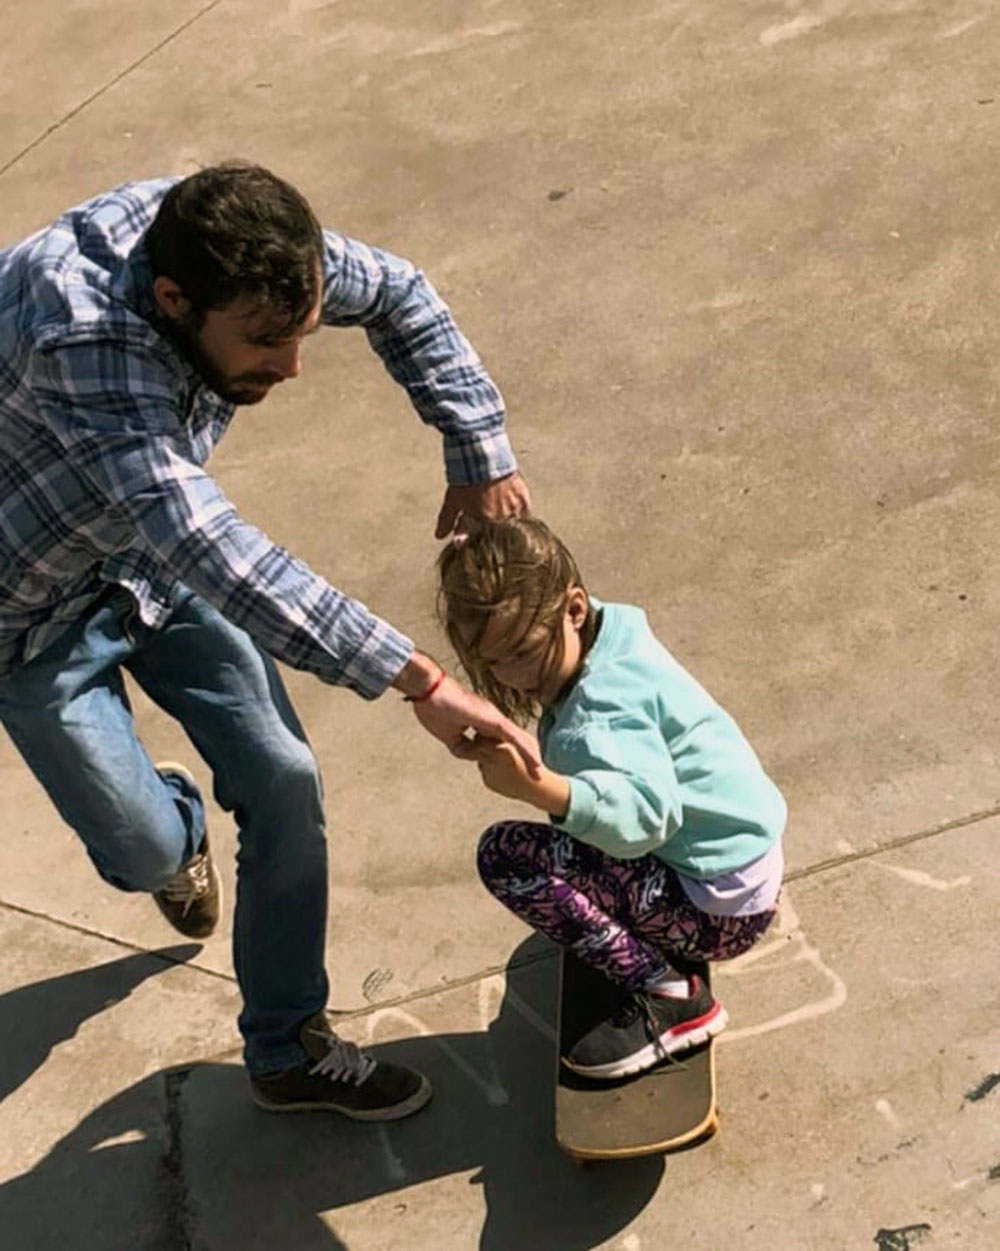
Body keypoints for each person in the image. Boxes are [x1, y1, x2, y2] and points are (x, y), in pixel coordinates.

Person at [0, 162, 538, 1121]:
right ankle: (175, 834)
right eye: (263, 345)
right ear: (173, 301)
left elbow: (402, 292)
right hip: (29, 616)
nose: (292, 368)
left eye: (300, 332)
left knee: (285, 776)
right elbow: (217, 550)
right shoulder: (83, 344)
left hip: (145, 565)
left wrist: (477, 443)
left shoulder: (232, 242)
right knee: (141, 852)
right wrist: (421, 680)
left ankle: (288, 1045)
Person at [437, 517, 786, 1079]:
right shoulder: (613, 635)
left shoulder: (600, 714)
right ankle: (652, 935)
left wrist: (536, 787)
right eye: (494, 659)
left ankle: (671, 997)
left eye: (524, 651)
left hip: (719, 912)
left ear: (574, 608)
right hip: (740, 866)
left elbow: (645, 820)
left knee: (506, 854)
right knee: (573, 830)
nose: (513, 674)